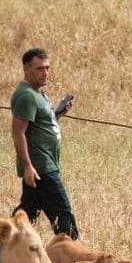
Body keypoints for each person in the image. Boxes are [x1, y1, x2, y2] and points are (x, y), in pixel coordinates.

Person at [11, 47, 79, 239]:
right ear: (26, 69)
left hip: (43, 165)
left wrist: (59, 113)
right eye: (39, 68)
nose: (45, 73)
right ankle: (68, 252)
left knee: (25, 216)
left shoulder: (38, 94)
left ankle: (2, 243)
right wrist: (28, 167)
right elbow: (18, 133)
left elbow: (43, 125)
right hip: (41, 168)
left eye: (47, 68)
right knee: (64, 218)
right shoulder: (26, 96)